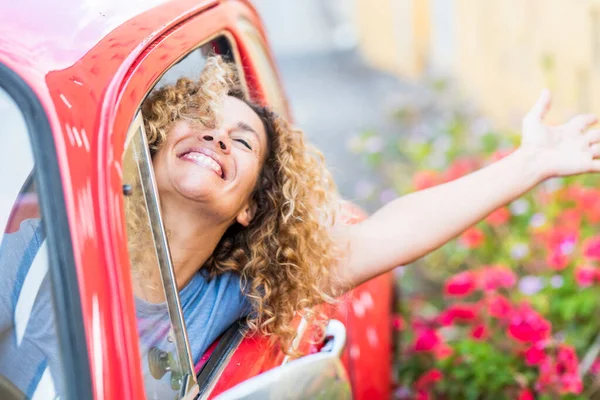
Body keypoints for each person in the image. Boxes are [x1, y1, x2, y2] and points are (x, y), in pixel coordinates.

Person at [127, 54, 600, 390]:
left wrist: (528, 164)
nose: (217, 136)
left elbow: (388, 233)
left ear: (250, 207)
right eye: (200, 118)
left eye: (243, 140)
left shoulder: (234, 293)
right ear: (152, 148)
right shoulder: (59, 246)